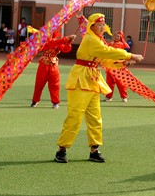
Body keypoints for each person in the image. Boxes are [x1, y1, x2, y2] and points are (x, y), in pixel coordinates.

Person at [54, 14, 143, 164]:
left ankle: (94, 150)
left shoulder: (96, 40)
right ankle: (62, 150)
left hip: (93, 79)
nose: (103, 27)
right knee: (75, 116)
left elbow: (106, 59)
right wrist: (131, 55)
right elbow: (106, 52)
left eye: (104, 25)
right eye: (99, 25)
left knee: (95, 117)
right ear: (92, 26)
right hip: (81, 79)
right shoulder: (90, 39)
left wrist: (123, 62)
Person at [31, 31, 74, 109]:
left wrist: (69, 42)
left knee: (55, 84)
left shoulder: (57, 42)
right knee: (39, 84)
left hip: (53, 65)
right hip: (43, 65)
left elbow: (65, 49)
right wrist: (66, 39)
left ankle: (55, 102)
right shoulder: (44, 41)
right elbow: (51, 43)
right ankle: (35, 100)